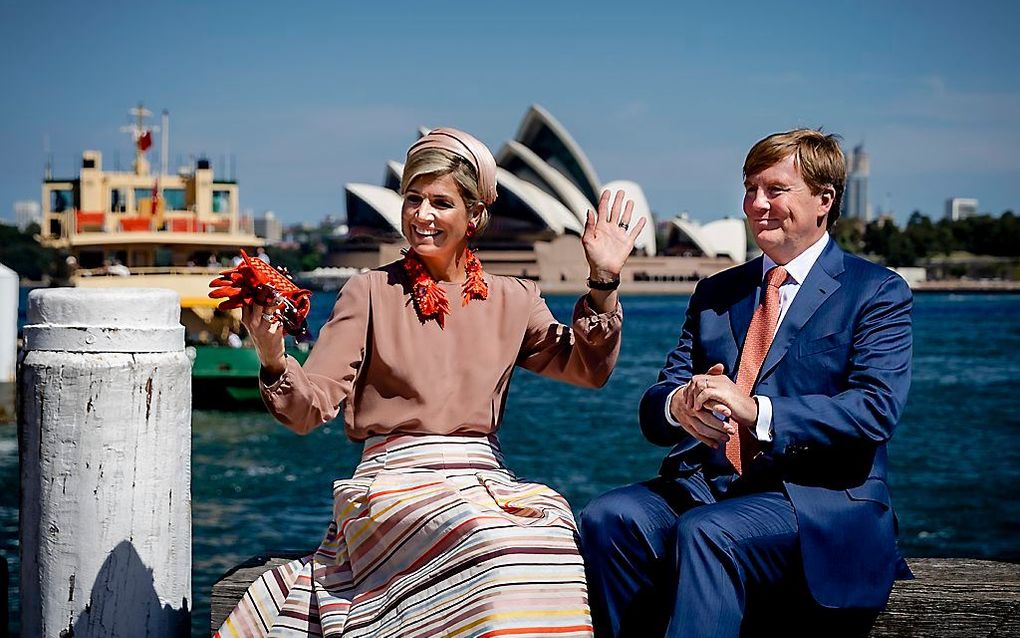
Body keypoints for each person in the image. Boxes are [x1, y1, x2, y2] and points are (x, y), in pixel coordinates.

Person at [215, 127, 647, 637]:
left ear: (475, 216)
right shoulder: (368, 291)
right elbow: (310, 408)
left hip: (484, 485)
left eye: (440, 202)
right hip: (392, 488)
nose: (421, 215)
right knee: (494, 544)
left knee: (553, 536)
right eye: (413, 199)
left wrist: (601, 283)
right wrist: (272, 357)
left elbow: (587, 368)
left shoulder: (515, 298)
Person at [579, 129, 913, 638]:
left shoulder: (876, 292)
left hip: (818, 502)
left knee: (708, 533)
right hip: (710, 490)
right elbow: (654, 407)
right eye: (749, 188)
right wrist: (678, 406)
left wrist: (757, 410)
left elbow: (874, 410)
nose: (756, 204)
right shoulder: (717, 292)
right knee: (609, 517)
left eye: (775, 190)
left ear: (824, 201)